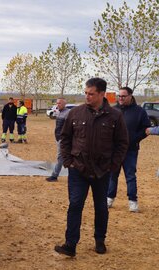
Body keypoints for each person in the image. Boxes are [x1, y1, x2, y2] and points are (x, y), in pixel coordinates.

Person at [55, 78, 128, 257]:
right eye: (86, 93)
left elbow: (122, 143)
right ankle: (70, 244)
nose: (87, 96)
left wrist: (113, 165)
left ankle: (99, 240)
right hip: (78, 169)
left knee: (101, 207)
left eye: (91, 94)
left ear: (102, 94)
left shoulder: (115, 116)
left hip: (102, 171)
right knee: (75, 204)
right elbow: (65, 138)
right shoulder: (76, 113)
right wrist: (68, 161)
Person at [107, 87, 150, 212]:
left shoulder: (140, 111)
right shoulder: (113, 110)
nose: (120, 98)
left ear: (130, 96)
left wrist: (134, 139)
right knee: (112, 175)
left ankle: (132, 201)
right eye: (119, 96)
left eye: (123, 96)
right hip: (114, 150)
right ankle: (109, 198)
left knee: (130, 176)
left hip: (131, 150)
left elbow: (146, 130)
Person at [46, 98, 71, 182]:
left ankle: (54, 175)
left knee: (60, 157)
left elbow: (69, 127)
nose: (57, 105)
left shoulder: (68, 113)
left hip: (63, 139)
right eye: (57, 103)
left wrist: (64, 138)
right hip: (59, 138)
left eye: (59, 103)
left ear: (64, 104)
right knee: (63, 157)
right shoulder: (60, 112)